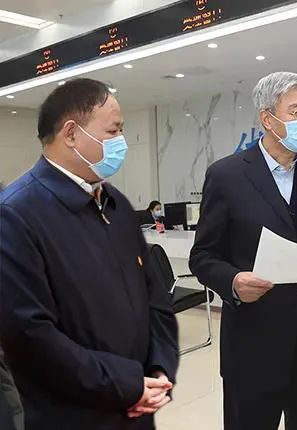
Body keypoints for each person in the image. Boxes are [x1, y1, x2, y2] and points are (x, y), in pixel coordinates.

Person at [0, 78, 179, 430]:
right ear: (71, 134)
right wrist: (126, 385)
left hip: (139, 405)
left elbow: (154, 298)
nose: (122, 141)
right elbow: (29, 335)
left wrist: (158, 370)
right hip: (74, 415)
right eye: (113, 131)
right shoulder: (16, 215)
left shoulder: (116, 204)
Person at [189, 71, 297, 430]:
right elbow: (203, 256)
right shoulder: (227, 175)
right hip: (252, 342)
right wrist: (233, 282)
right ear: (268, 119)